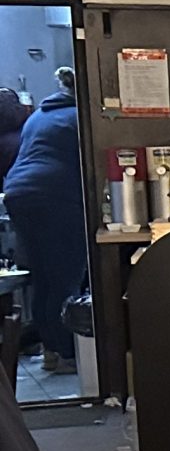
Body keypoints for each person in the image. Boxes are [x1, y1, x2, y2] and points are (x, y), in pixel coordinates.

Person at [3, 67, 84, 374]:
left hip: (18, 194)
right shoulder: (79, 119)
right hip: (55, 196)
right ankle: (66, 353)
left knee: (43, 277)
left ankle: (50, 350)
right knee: (65, 277)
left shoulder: (39, 116)